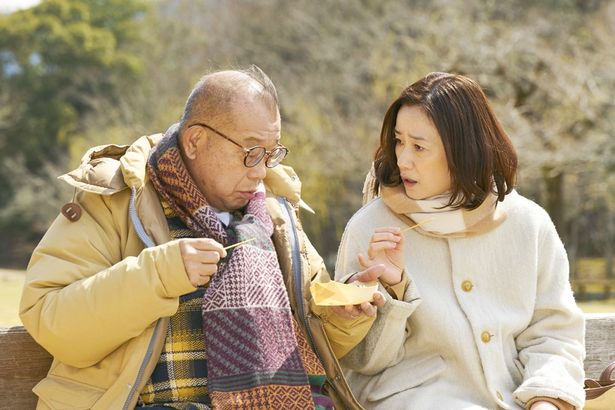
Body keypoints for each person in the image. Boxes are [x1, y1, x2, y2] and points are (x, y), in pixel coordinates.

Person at [19, 65, 372, 410]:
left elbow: (314, 347)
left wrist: (342, 317)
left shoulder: (276, 213)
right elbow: (51, 321)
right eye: (250, 152)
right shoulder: (116, 196)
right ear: (195, 141)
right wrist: (158, 275)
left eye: (271, 153)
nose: (262, 170)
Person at [320, 72, 586, 409]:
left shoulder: (528, 223)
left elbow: (555, 333)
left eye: (419, 146)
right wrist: (393, 294)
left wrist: (546, 399)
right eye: (399, 141)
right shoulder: (370, 228)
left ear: (463, 151)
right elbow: (363, 363)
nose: (403, 159)